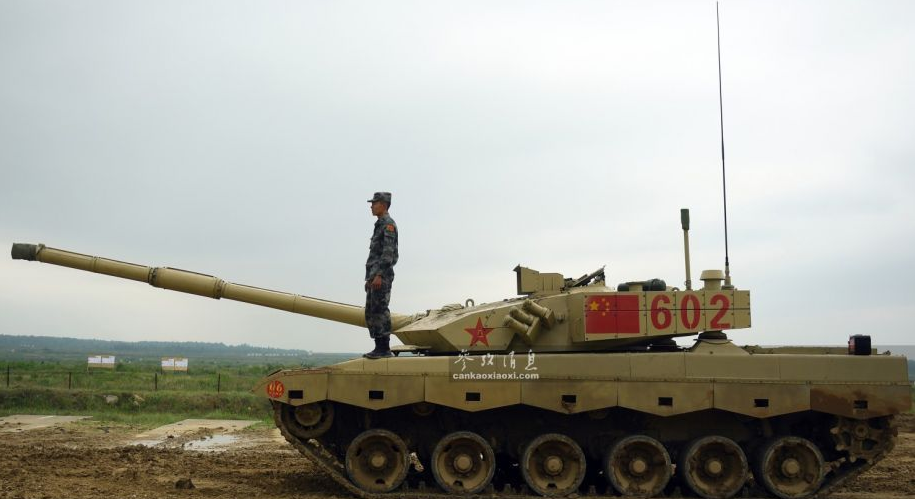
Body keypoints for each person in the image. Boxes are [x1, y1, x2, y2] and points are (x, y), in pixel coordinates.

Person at [363, 191, 398, 359]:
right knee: (371, 311)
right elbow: (375, 255)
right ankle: (378, 346)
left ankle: (384, 348)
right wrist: (370, 278)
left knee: (380, 310)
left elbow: (388, 254)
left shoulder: (388, 225)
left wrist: (379, 275)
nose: (371, 206)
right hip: (374, 276)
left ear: (383, 205)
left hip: (381, 276)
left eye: (374, 203)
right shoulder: (379, 225)